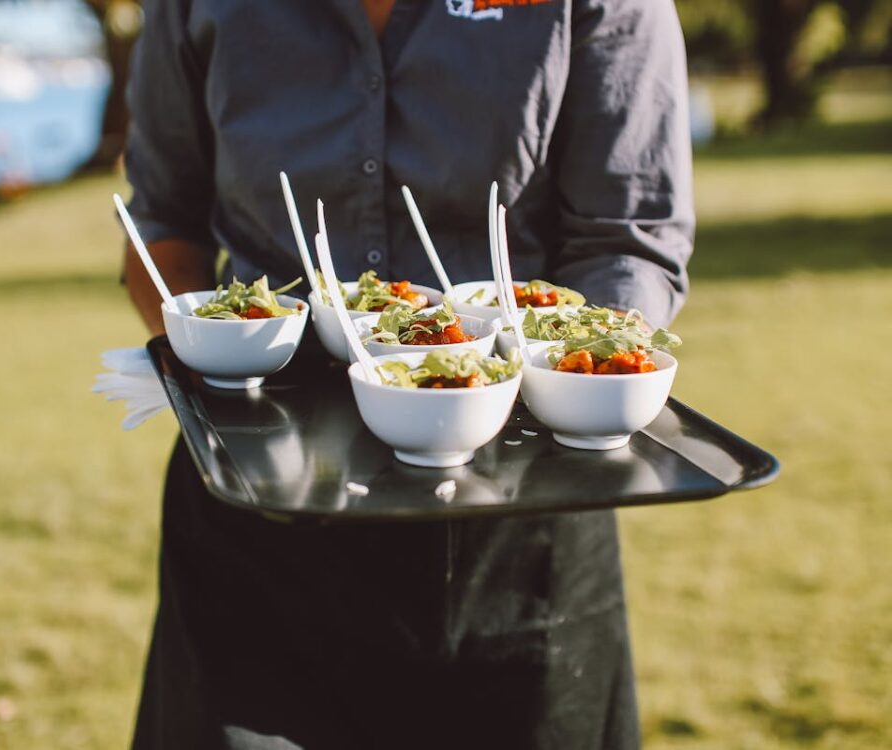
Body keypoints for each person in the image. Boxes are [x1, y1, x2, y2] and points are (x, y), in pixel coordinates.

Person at [121, 1, 693, 748]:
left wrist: (580, 379)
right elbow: (162, 227)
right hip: (259, 524)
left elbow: (626, 239)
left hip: (523, 521)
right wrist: (215, 358)